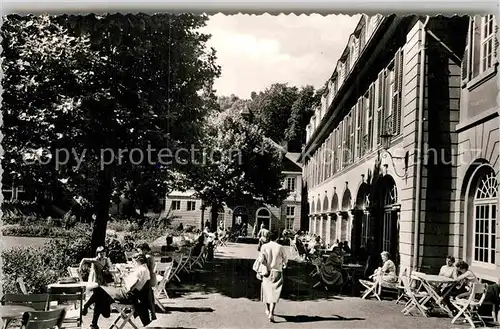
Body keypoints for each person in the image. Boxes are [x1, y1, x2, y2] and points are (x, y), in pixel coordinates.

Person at [82, 253, 153, 329]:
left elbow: (130, 287)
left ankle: (90, 310)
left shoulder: (140, 270)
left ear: (138, 261)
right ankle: (94, 320)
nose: (133, 264)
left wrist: (123, 276)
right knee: (100, 292)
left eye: (133, 262)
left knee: (100, 290)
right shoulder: (145, 269)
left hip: (128, 296)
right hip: (131, 295)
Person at [259, 230, 288, 322]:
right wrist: (283, 264)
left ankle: (267, 309)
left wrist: (265, 266)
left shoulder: (264, 246)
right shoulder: (280, 247)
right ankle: (271, 312)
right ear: (277, 238)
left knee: (267, 292)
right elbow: (285, 259)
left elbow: (261, 259)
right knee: (275, 293)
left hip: (267, 271)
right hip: (277, 271)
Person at [136, 243, 157, 321]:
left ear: (144, 250)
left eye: (140, 250)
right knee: (148, 293)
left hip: (149, 280)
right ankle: (151, 312)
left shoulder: (147, 257)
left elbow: (144, 270)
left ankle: (140, 310)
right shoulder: (148, 256)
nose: (139, 252)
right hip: (150, 278)